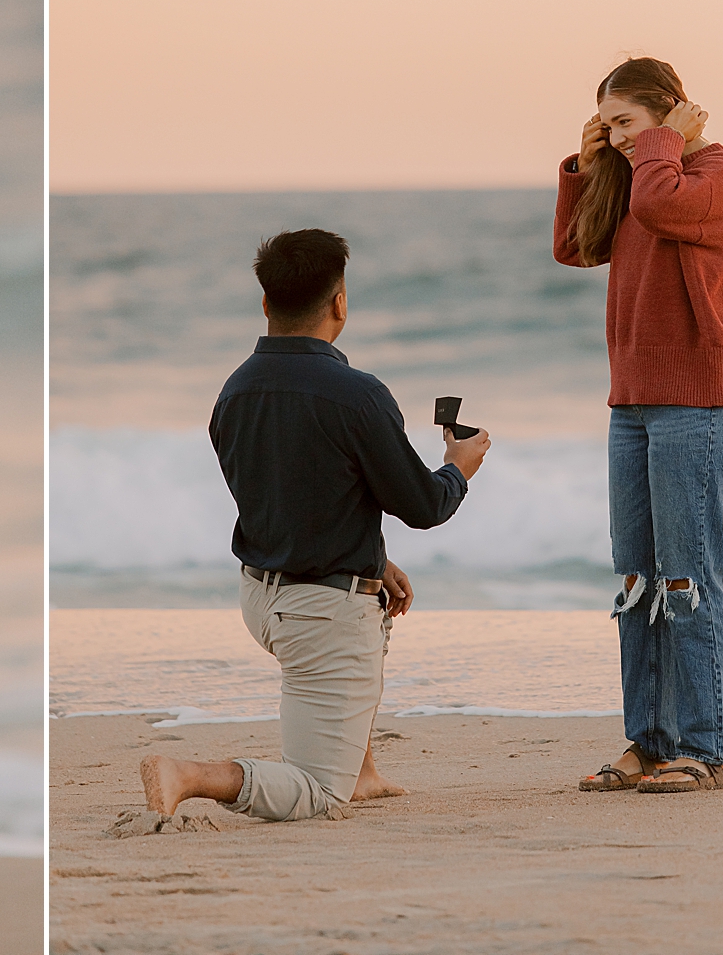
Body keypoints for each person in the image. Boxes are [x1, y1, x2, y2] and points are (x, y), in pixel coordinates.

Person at [136, 228, 489, 824]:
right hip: (319, 614)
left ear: (267, 303)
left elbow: (288, 498)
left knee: (374, 595)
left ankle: (366, 770)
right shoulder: (358, 396)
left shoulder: (234, 392)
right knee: (320, 792)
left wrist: (371, 561)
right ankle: (191, 775)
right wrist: (458, 468)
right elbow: (425, 507)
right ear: (340, 303)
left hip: (260, 596)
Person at [555, 56, 723, 794]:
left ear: (670, 113)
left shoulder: (717, 177)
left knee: (687, 579)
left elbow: (664, 210)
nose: (621, 138)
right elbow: (577, 246)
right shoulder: (645, 178)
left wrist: (660, 147)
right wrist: (589, 164)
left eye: (627, 123)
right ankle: (648, 740)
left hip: (698, 404)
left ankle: (708, 750)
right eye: (609, 125)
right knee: (637, 582)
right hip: (633, 403)